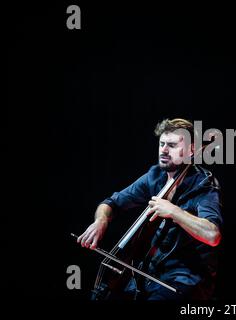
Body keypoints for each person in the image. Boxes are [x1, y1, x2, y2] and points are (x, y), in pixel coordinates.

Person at [77, 118, 223, 300]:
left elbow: (212, 235)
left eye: (171, 145)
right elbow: (112, 203)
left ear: (191, 150)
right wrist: (101, 221)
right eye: (162, 144)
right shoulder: (155, 176)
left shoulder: (204, 185)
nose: (164, 150)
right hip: (147, 274)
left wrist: (174, 211)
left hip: (184, 278)